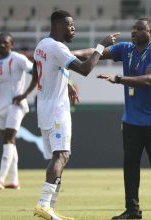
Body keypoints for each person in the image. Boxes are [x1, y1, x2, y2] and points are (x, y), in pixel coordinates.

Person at [88, 17, 151, 220]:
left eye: (141, 29)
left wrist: (119, 79)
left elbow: (149, 79)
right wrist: (67, 56)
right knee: (130, 163)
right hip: (132, 118)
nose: (135, 31)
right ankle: (132, 210)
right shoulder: (126, 48)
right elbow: (95, 54)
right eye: (134, 28)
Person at [31, 10, 118, 220]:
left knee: (60, 156)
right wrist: (101, 46)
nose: (73, 29)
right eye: (70, 25)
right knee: (61, 155)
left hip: (44, 106)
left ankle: (50, 207)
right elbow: (86, 69)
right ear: (59, 25)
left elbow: (41, 70)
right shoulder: (58, 47)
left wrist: (66, 82)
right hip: (57, 110)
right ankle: (43, 204)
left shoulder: (42, 44)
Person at [0, 32, 34, 190]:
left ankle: (0, 179)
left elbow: (36, 72)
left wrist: (25, 94)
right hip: (1, 107)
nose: (2, 45)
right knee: (9, 142)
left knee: (8, 138)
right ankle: (14, 180)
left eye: (5, 42)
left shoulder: (18, 59)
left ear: (12, 44)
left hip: (16, 105)